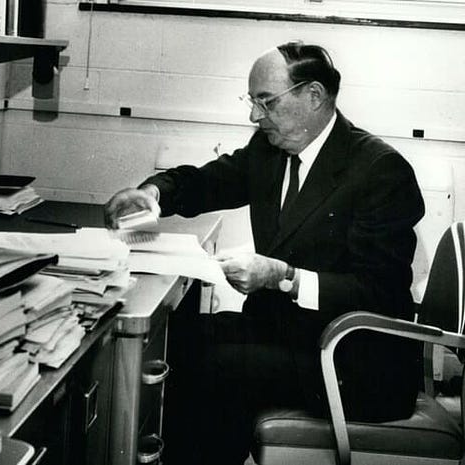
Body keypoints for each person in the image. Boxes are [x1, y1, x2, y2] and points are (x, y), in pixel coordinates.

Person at [105, 41, 424, 464]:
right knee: (181, 338)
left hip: (356, 361)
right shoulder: (271, 148)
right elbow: (211, 181)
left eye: (265, 102)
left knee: (219, 365)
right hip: (293, 335)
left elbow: (379, 293)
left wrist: (283, 277)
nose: (255, 115)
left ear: (313, 96)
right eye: (252, 102)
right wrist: (153, 193)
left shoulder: (381, 170)